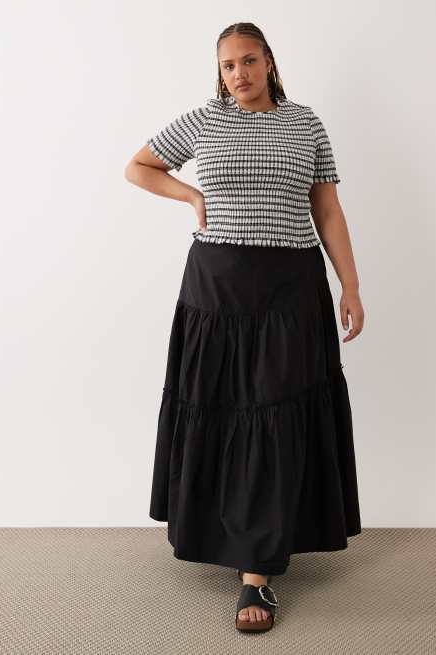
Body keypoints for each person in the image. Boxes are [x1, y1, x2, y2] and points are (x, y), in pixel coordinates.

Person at [124, 22, 364, 634]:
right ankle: (229, 538)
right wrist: (190, 197)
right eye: (228, 65)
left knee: (272, 412)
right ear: (220, 71)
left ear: (270, 62)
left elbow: (327, 207)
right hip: (217, 287)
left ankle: (257, 570)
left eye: (249, 61)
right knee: (225, 409)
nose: (239, 74)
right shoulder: (204, 121)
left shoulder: (305, 124)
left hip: (290, 286)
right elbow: (139, 167)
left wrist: (351, 285)